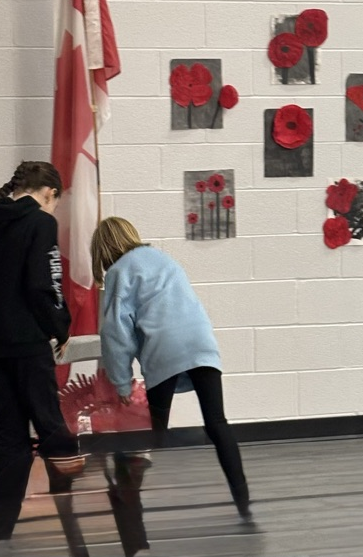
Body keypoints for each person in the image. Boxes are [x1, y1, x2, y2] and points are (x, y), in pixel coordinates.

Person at [91, 217, 252, 523]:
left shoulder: (117, 273)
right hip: (201, 340)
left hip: (164, 347)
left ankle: (124, 494)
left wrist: (122, 384)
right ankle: (243, 502)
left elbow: (114, 334)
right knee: (218, 424)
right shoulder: (163, 258)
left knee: (151, 431)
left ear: (103, 249)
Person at [0, 161, 84, 557]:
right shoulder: (40, 223)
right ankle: (74, 530)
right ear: (49, 193)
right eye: (56, 202)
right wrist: (61, 327)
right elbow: (45, 283)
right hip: (27, 344)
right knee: (53, 431)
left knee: (11, 438)